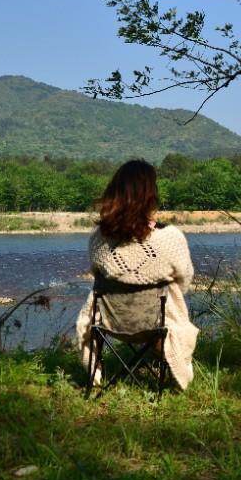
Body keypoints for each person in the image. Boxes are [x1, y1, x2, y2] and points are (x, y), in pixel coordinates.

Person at [75, 159, 199, 389]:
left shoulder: (98, 239)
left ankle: (98, 377)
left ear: (114, 193)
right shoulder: (170, 238)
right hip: (156, 324)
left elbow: (97, 277)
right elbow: (185, 281)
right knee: (172, 303)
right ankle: (168, 370)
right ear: (151, 196)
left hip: (110, 323)